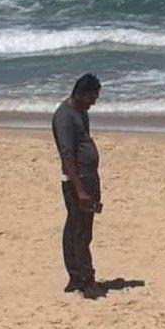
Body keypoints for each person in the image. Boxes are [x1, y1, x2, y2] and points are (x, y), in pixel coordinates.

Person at [52, 74, 102, 296]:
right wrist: (80, 190)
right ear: (79, 94)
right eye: (91, 98)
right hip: (77, 180)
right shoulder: (64, 117)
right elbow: (67, 156)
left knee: (81, 228)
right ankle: (84, 279)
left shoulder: (81, 112)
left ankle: (76, 275)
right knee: (79, 230)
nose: (93, 103)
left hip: (88, 177)